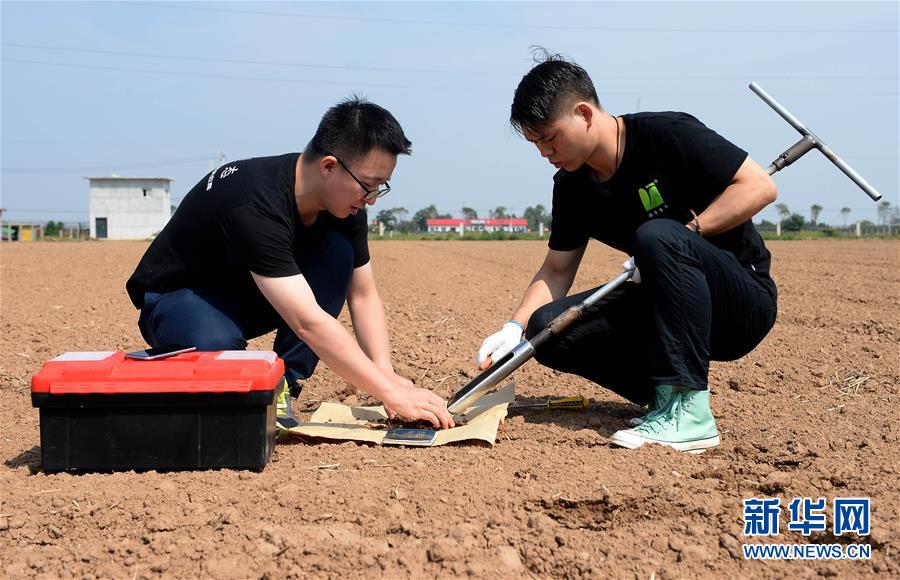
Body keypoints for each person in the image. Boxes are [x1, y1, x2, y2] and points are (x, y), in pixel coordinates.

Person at [477, 52, 777, 452]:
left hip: (739, 300)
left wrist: (677, 240)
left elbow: (759, 186)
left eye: (549, 138)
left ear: (584, 114)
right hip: (662, 307)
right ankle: (663, 399)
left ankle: (691, 414)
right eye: (536, 144)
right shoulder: (572, 186)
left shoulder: (665, 134)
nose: (544, 152)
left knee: (657, 235)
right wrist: (514, 328)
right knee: (547, 328)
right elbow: (557, 269)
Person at [127, 97, 454, 431]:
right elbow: (307, 322)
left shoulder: (347, 208)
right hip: (180, 299)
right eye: (368, 186)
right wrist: (390, 393)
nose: (371, 199)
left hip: (257, 291)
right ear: (329, 167)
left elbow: (363, 295)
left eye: (379, 188)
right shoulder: (255, 202)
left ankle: (282, 385)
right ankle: (182, 363)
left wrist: (385, 373)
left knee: (337, 252)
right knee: (219, 357)